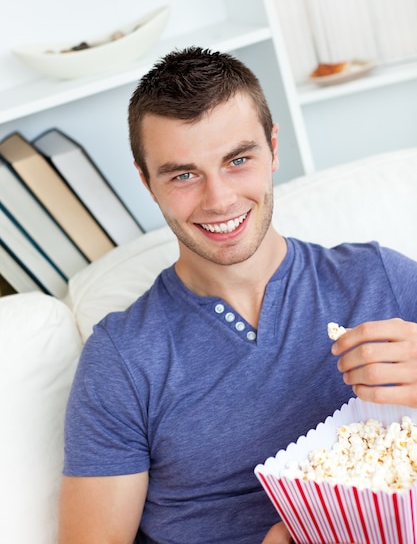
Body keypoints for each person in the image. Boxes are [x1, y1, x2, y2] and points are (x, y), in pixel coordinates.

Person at [58, 47, 417, 544]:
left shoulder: (378, 278)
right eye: (183, 174)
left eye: (238, 160)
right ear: (148, 182)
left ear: (273, 148)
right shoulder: (122, 359)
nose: (219, 199)